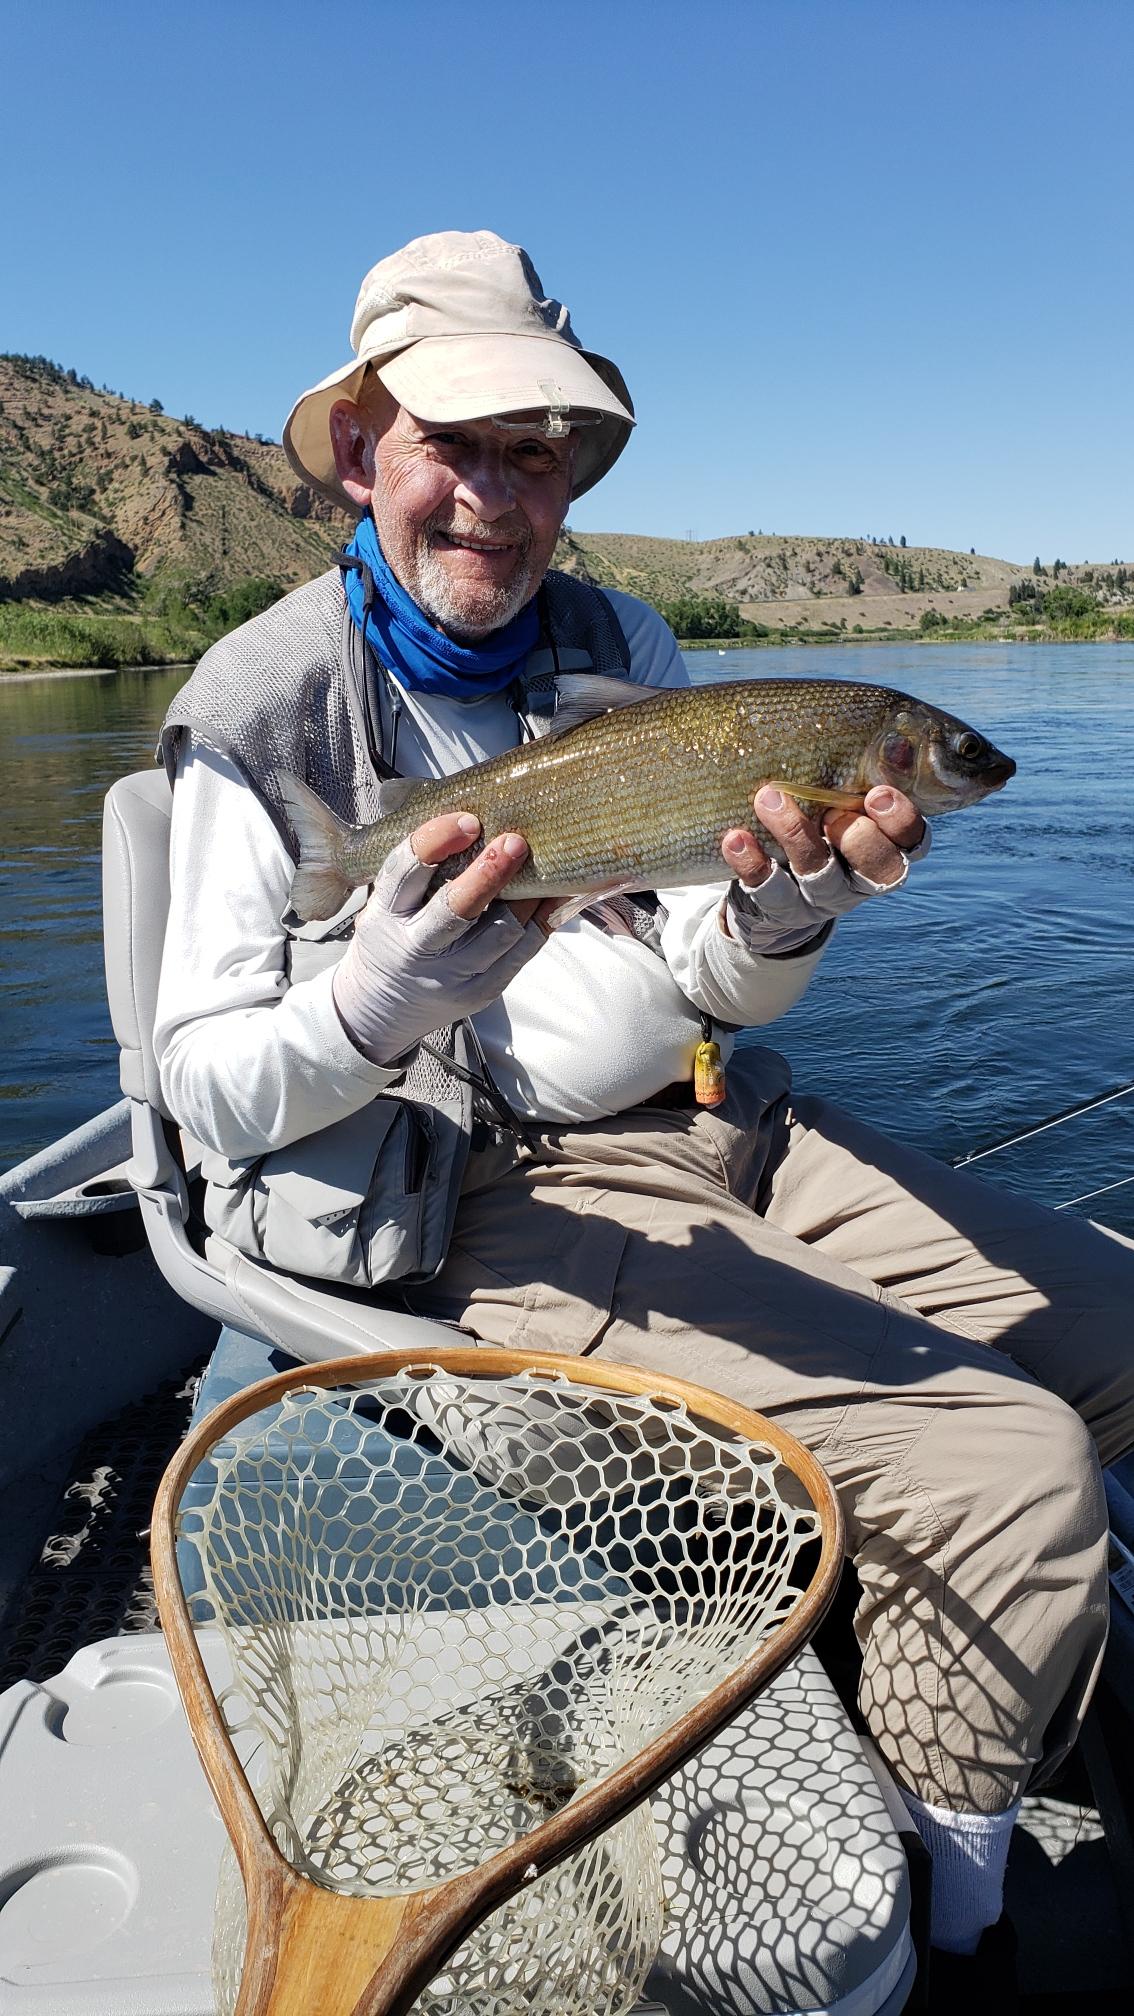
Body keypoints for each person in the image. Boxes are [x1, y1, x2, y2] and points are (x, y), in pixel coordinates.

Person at [154, 230, 1133, 2000]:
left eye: (538, 450)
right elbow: (201, 1092)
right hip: (473, 1185)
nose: (496, 496)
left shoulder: (631, 644)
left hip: (711, 1114)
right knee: (1013, 1462)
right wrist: (374, 1004)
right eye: (454, 441)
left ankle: (932, 1641)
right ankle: (953, 1915)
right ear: (363, 444)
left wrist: (781, 915)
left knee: (1122, 1333)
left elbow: (711, 967)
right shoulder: (257, 712)